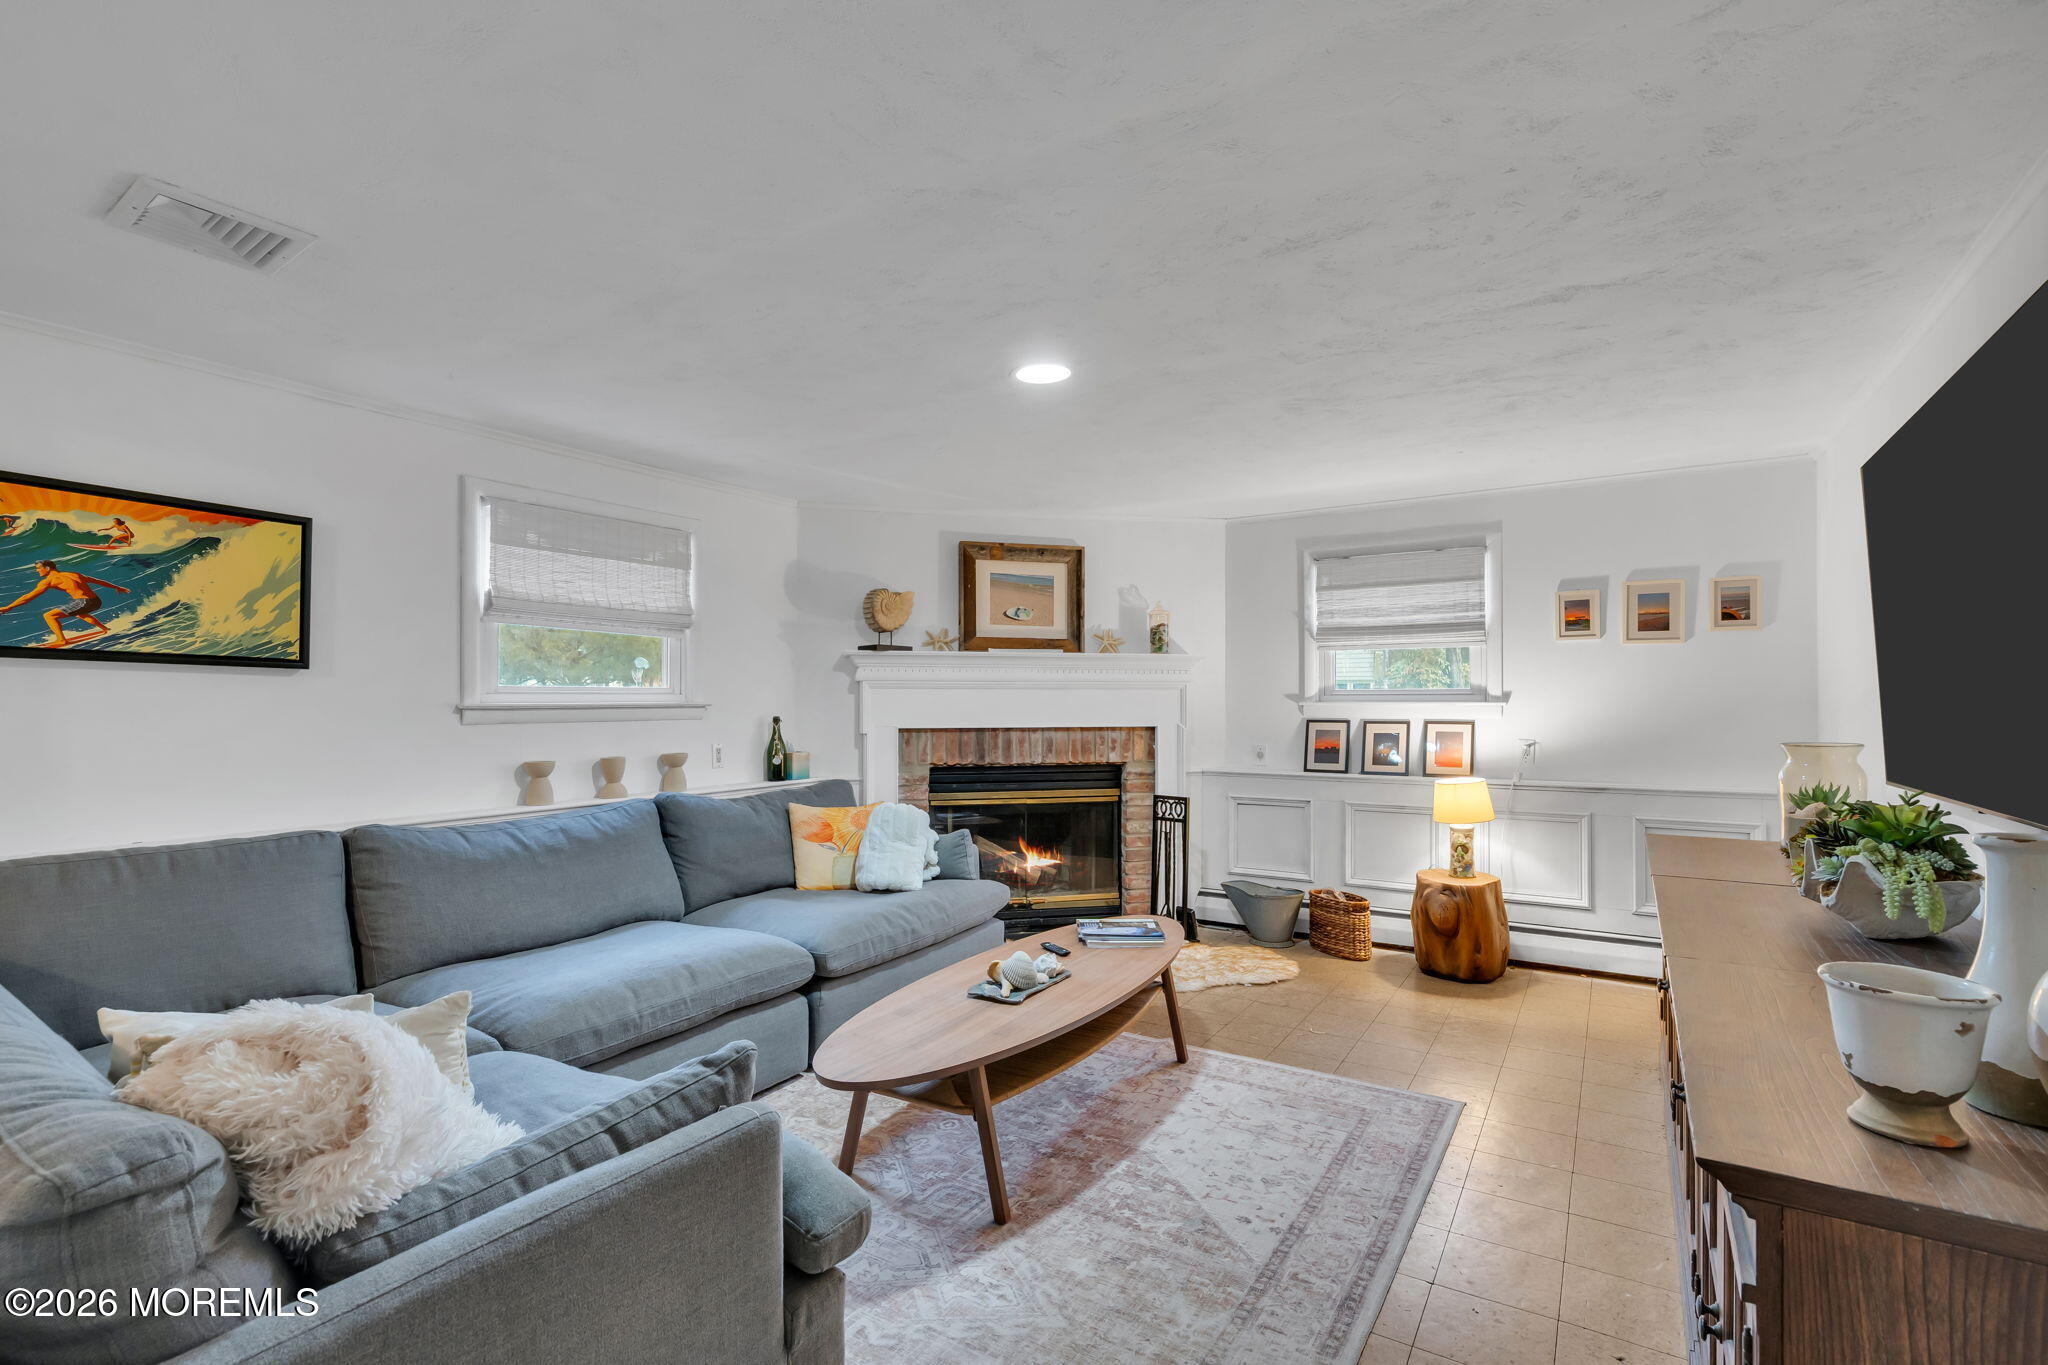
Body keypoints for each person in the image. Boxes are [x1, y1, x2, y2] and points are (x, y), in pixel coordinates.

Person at [0, 560, 131, 647]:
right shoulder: (73, 574)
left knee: (49, 616)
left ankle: (61, 640)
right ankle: (105, 629)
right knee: (79, 613)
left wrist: (9, 607)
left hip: (84, 601)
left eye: (38, 568)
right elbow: (97, 581)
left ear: (47, 568)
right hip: (96, 601)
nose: (37, 571)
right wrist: (117, 587)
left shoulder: (49, 580)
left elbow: (28, 597)